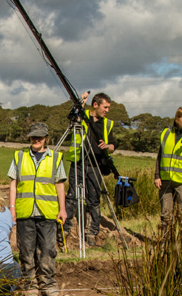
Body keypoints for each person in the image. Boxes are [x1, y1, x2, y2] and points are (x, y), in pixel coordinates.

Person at [8, 122, 66, 295]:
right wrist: (12, 208)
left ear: (46, 138)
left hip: (48, 212)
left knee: (48, 249)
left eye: (40, 136)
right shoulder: (19, 156)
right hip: (25, 211)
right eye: (34, 136)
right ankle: (29, 283)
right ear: (29, 137)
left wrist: (62, 209)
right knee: (26, 250)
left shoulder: (55, 157)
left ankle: (47, 283)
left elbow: (60, 185)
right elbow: (13, 184)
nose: (36, 139)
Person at [62, 92, 116, 247]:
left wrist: (108, 147)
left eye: (108, 107)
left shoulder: (108, 124)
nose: (107, 110)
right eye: (105, 107)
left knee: (93, 200)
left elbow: (113, 145)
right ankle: (66, 230)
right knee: (72, 197)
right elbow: (72, 118)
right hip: (78, 162)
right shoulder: (83, 115)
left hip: (96, 165)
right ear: (96, 104)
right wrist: (81, 102)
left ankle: (91, 232)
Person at [155, 107, 182, 228]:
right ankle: (166, 244)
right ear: (177, 119)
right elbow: (160, 156)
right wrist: (157, 176)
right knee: (165, 215)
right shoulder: (166, 133)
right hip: (165, 181)